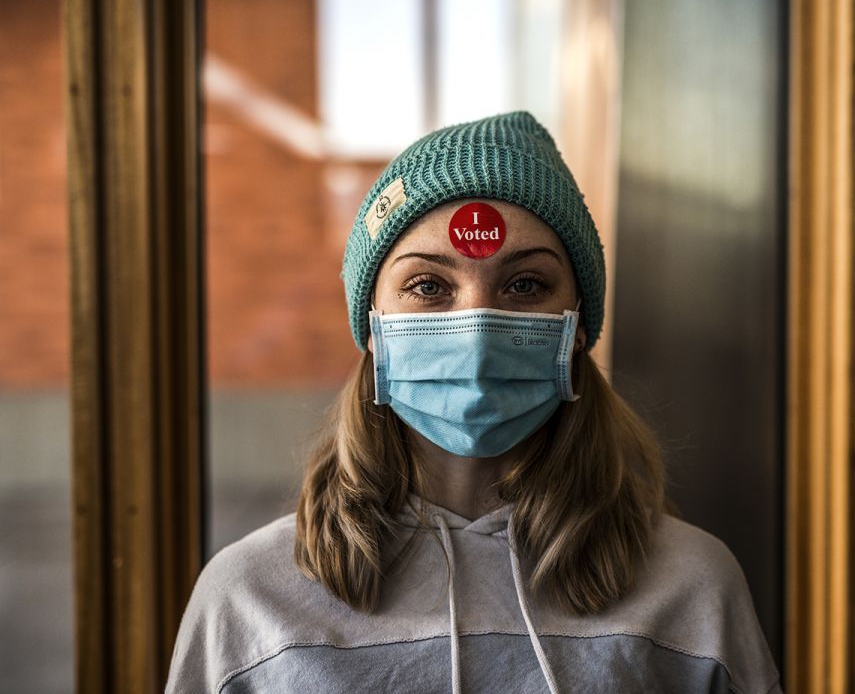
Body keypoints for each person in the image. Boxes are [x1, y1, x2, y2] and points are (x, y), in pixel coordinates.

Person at [166, 111, 782, 694]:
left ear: (578, 330)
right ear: (374, 331)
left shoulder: (693, 588)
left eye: (525, 285)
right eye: (428, 286)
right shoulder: (248, 600)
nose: (479, 327)